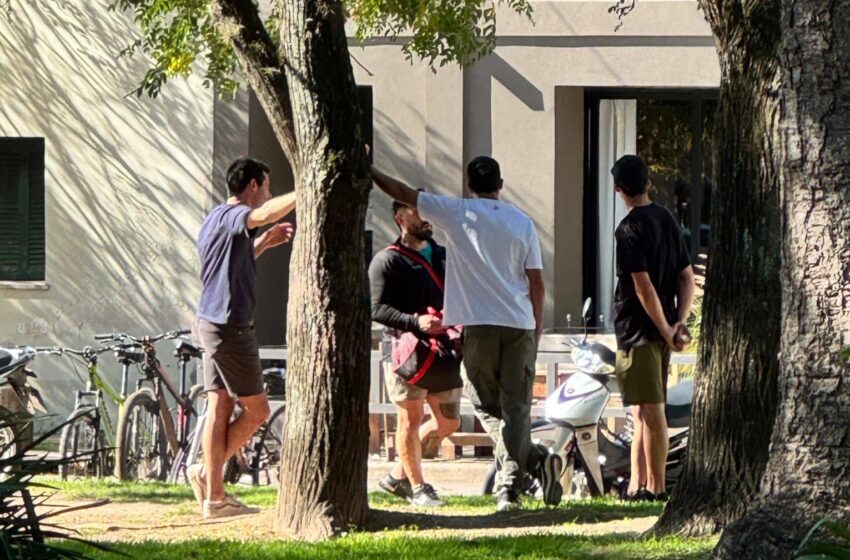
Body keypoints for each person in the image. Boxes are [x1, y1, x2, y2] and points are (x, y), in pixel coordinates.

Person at [370, 156, 562, 512]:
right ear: (500, 185)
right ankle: (525, 469)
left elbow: (402, 192)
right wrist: (536, 328)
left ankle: (516, 477)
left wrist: (369, 168)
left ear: (469, 185)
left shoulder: (456, 212)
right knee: (516, 406)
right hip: (519, 324)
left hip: (480, 326)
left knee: (484, 402)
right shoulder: (521, 221)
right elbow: (536, 281)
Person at [189, 157, 296, 518]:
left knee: (219, 405)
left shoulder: (214, 219)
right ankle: (208, 475)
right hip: (230, 327)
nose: (267, 193)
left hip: (209, 323)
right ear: (252, 186)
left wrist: (263, 244)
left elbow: (231, 262)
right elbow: (261, 214)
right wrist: (306, 190)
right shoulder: (236, 215)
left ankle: (215, 496)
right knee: (259, 409)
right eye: (266, 186)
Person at [611, 155, 696, 502]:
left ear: (619, 189)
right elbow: (687, 276)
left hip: (638, 330)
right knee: (641, 407)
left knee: (651, 408)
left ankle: (657, 487)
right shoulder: (667, 220)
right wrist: (680, 322)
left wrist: (664, 328)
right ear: (648, 183)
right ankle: (637, 482)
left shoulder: (628, 229)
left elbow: (643, 287)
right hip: (662, 330)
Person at [369, 195, 463, 507]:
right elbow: (376, 308)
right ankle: (419, 487)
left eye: (428, 212)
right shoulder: (388, 260)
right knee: (410, 418)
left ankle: (396, 477)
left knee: (449, 422)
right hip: (404, 353)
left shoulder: (445, 257)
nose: (426, 218)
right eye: (418, 211)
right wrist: (414, 321)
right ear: (400, 218)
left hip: (442, 351)